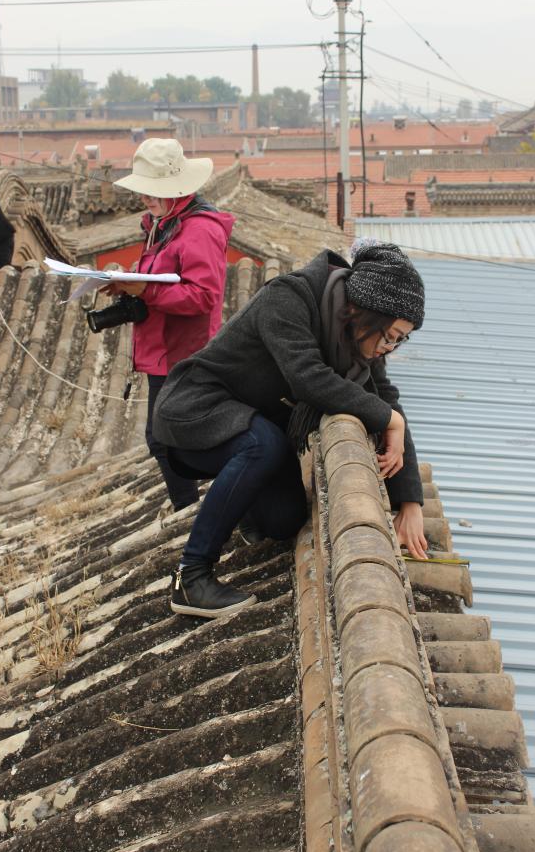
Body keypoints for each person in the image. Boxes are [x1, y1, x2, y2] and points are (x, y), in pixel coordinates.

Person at [152, 241, 427, 620]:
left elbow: (386, 397)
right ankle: (191, 575)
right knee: (263, 445)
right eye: (391, 335)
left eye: (400, 339)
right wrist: (389, 419)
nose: (390, 347)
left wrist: (410, 503)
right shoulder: (288, 297)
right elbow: (308, 378)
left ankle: (245, 502)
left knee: (284, 520)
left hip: (249, 422)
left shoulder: (356, 338)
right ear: (366, 311)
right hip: (195, 411)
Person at [105, 137, 233, 512]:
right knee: (165, 438)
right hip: (163, 348)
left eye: (152, 189)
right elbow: (163, 278)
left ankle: (192, 511)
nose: (144, 197)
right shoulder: (163, 224)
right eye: (143, 189)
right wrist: (129, 283)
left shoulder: (199, 230)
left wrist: (145, 290)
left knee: (165, 438)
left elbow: (203, 296)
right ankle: (194, 507)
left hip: (183, 352)